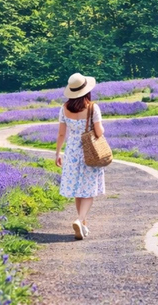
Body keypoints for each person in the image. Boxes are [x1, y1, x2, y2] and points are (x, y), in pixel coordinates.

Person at [55, 72, 106, 240]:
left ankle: (83, 224)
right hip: (88, 151)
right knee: (89, 189)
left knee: (78, 189)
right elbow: (99, 132)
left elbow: (62, 134)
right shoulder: (93, 107)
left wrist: (57, 153)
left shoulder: (64, 108)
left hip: (71, 151)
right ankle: (79, 219)